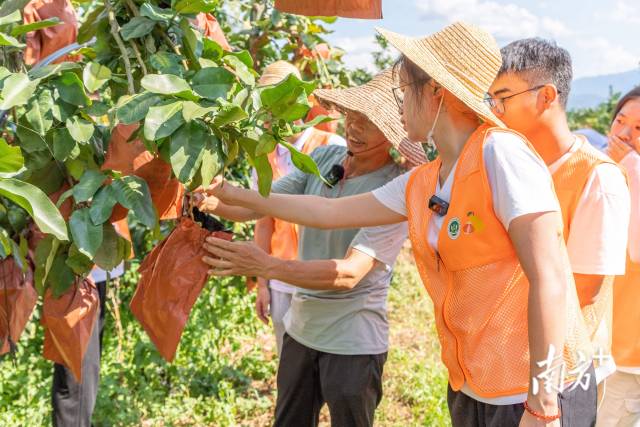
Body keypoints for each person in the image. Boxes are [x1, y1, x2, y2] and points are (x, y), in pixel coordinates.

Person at [200, 22, 596, 426]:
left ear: (437, 92)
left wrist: (543, 400)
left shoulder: (502, 154)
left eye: (404, 92)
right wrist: (235, 194)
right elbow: (329, 212)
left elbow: (549, 276)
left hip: (534, 391)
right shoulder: (425, 180)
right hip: (476, 382)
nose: (400, 106)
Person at [195, 68, 425, 427]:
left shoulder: (395, 188)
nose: (354, 127)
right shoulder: (322, 161)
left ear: (394, 132)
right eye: (352, 115)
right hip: (301, 331)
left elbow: (348, 273)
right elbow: (260, 204)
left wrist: (267, 266)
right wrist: (209, 200)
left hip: (352, 342)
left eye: (369, 121)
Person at [486, 38, 630, 387]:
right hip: (504, 360)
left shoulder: (597, 177)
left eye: (503, 98)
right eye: (490, 99)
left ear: (547, 96)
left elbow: (584, 290)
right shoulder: (512, 165)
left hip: (562, 374)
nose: (494, 111)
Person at [251, 61, 345, 356]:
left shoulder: (331, 146)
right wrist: (262, 283)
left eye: (279, 102)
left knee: (327, 360)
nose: (271, 113)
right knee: (290, 364)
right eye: (267, 104)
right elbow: (263, 221)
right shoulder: (263, 156)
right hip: (281, 278)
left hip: (322, 277)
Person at [597, 87, 640, 427]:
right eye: (621, 121)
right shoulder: (608, 178)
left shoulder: (632, 175)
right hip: (598, 352)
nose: (624, 134)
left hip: (628, 359)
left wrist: (633, 167)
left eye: (639, 128)